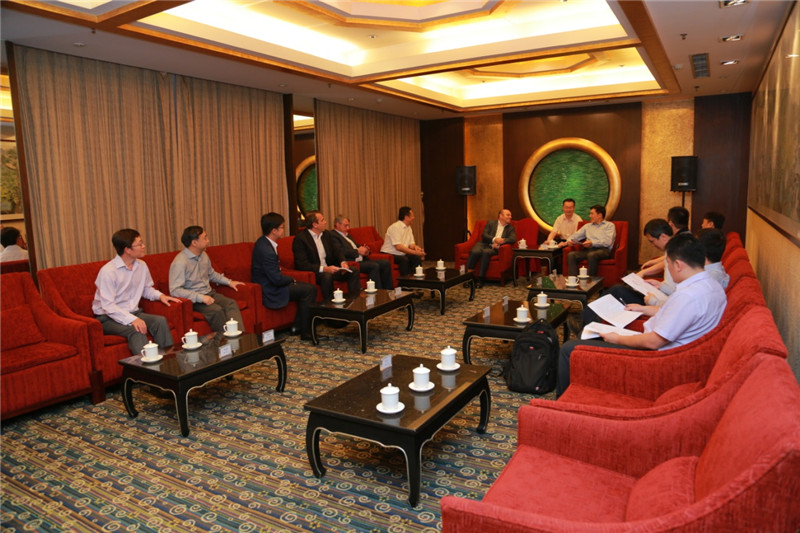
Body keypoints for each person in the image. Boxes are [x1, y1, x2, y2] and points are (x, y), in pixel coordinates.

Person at [557, 233, 727, 397]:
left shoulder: (688, 296)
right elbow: (675, 314)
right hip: (663, 347)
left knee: (569, 349)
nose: (667, 269)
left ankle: (561, 403)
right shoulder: (711, 286)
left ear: (678, 265)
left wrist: (618, 339)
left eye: (667, 264)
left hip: (655, 358)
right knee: (588, 333)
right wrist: (643, 309)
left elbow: (653, 342)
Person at [92, 228, 181, 356]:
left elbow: (146, 289)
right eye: (139, 244)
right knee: (136, 330)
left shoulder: (141, 265)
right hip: (108, 318)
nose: (143, 246)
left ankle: (170, 360)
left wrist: (160, 296)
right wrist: (132, 320)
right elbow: (108, 306)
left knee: (160, 321)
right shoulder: (108, 272)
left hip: (133, 312)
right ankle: (148, 366)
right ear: (127, 250)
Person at [252, 213, 317, 340]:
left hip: (272, 282)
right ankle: (306, 332)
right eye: (282, 227)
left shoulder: (263, 242)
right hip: (270, 288)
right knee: (309, 290)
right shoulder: (267, 251)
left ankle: (297, 326)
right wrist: (291, 279)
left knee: (308, 287)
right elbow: (276, 279)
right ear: (274, 230)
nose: (283, 230)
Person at [169, 225, 245, 334]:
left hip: (209, 293)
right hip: (194, 300)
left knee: (231, 303)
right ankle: (224, 341)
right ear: (194, 243)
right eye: (205, 238)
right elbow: (175, 290)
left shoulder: (204, 255)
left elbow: (211, 274)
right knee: (216, 310)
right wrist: (200, 298)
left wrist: (229, 282)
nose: (208, 240)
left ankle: (238, 337)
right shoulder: (180, 262)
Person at [292, 210, 361, 299]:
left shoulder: (326, 234)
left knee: (353, 271)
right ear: (315, 225)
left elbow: (337, 251)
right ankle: (331, 304)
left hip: (331, 268)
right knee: (326, 276)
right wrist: (324, 269)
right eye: (322, 220)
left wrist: (342, 262)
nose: (325, 222)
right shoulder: (301, 239)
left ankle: (354, 300)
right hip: (316, 272)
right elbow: (302, 264)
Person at [331, 215, 393, 289]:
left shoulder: (347, 235)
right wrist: (358, 251)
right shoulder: (333, 235)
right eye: (346, 225)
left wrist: (365, 250)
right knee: (374, 266)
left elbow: (357, 246)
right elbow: (341, 251)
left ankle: (389, 291)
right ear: (338, 225)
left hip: (362, 259)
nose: (348, 228)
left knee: (385, 263)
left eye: (348, 226)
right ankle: (377, 292)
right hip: (352, 262)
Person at [560, 204, 616, 276]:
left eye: (592, 214)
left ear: (599, 215)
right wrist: (568, 241)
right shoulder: (587, 226)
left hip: (603, 250)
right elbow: (575, 236)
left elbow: (608, 242)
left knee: (592, 255)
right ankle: (573, 279)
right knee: (571, 255)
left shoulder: (609, 226)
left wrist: (592, 243)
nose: (590, 216)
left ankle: (591, 281)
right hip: (588, 250)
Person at [467, 208, 516, 287]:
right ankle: (468, 278)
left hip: (495, 248)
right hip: (484, 243)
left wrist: (500, 242)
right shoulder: (490, 223)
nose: (510, 217)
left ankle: (480, 279)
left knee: (486, 252)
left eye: (510, 215)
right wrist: (494, 239)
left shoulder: (510, 228)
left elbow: (512, 239)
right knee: (474, 252)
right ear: (501, 216)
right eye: (508, 215)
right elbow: (484, 235)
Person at [638, 206, 691, 278]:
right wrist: (654, 262)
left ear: (671, 224)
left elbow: (667, 262)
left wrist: (644, 272)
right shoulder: (685, 236)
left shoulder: (681, 243)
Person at [380, 206, 426, 276]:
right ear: (406, 217)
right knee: (404, 259)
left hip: (401, 253)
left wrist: (416, 248)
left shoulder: (408, 228)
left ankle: (417, 278)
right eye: (412, 216)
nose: (413, 218)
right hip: (389, 254)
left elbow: (411, 245)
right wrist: (414, 252)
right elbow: (398, 247)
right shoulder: (395, 227)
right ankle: (405, 281)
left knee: (416, 258)